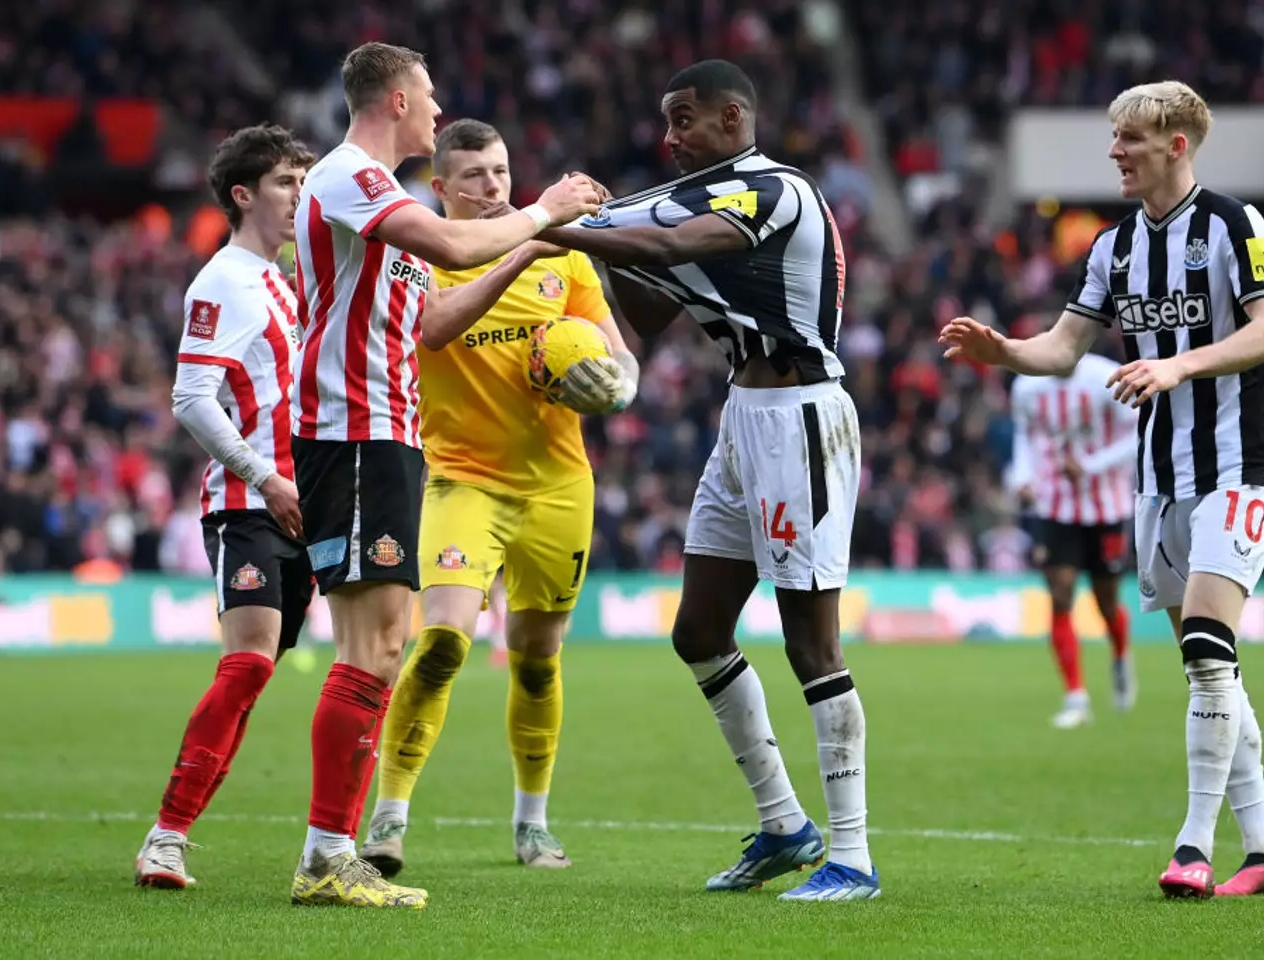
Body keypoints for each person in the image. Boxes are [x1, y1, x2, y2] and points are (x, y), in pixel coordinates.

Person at [940, 81, 1264, 899]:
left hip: (1238, 466)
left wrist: (1177, 363)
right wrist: (1004, 351)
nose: (1115, 152)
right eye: (1112, 137)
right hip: (1160, 480)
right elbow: (1065, 349)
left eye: (1130, 138)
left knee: (1209, 655)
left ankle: (1193, 849)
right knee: (1213, 672)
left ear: (1177, 144)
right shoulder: (1113, 247)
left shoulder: (1236, 225)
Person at [539, 59, 879, 901]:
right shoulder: (695, 200)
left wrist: (556, 228)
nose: (669, 137)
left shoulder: (770, 190)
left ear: (733, 117)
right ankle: (784, 826)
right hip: (743, 420)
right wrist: (595, 253)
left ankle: (854, 856)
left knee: (812, 643)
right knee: (697, 630)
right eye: (666, 121)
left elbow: (666, 243)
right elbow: (648, 310)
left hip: (802, 414)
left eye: (683, 119)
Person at [288, 41, 600, 909]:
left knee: (381, 651)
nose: (434, 110)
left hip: (385, 435)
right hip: (354, 429)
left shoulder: (368, 187)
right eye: (426, 98)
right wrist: (544, 213)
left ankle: (336, 850)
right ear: (394, 101)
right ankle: (327, 854)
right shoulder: (352, 175)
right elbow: (451, 249)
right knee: (376, 649)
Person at [357, 118, 639, 876]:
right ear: (439, 188)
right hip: (461, 480)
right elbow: (435, 334)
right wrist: (524, 248)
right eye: (475, 176)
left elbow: (620, 358)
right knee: (443, 642)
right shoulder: (421, 257)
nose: (493, 187)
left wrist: (610, 387)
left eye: (502, 171)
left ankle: (532, 825)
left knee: (537, 661)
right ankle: (388, 819)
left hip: (558, 485)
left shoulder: (567, 260)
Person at [134, 123, 315, 889]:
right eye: (284, 184)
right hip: (249, 502)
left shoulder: (281, 279)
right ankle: (166, 837)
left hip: (305, 508)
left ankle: (330, 842)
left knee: (261, 672)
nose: (298, 197)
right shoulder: (223, 281)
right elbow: (190, 397)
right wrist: (263, 476)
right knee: (243, 667)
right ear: (243, 196)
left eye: (304, 184)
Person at [1006, 352, 1139, 728]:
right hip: (1054, 505)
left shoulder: (1106, 379)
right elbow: (1024, 436)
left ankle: (1120, 654)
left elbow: (1137, 437)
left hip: (1107, 507)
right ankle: (1076, 697)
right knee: (1061, 592)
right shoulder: (1027, 386)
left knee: (1106, 601)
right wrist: (1022, 477)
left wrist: (1091, 466)